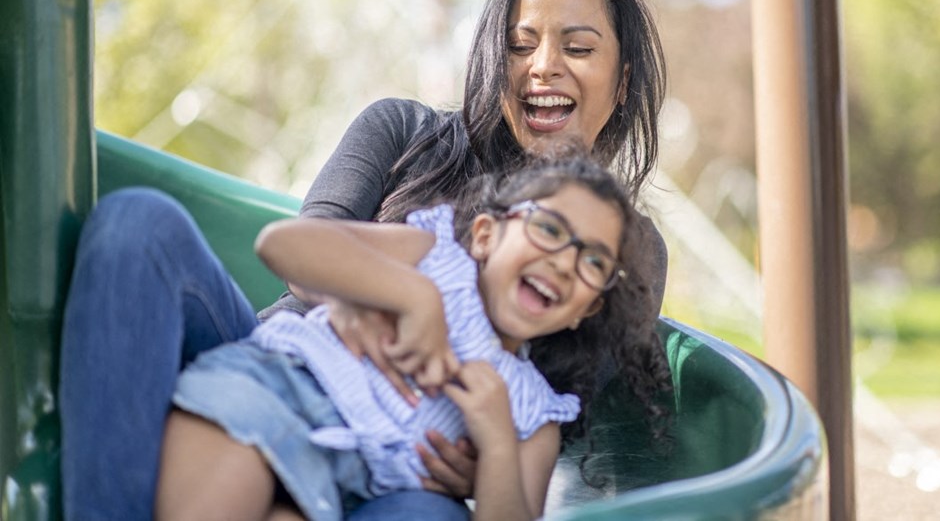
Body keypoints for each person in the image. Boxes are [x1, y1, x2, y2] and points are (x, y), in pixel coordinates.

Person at [59, 0, 668, 521]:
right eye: (519, 44)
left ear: (622, 82)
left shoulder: (627, 255)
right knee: (138, 224)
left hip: (406, 470)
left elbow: (561, 416)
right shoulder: (407, 136)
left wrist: (487, 463)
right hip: (291, 371)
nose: (543, 66)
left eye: (578, 48)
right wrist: (399, 295)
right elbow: (302, 252)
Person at [154, 155, 670, 521]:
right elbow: (283, 244)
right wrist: (413, 295)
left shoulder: (534, 418)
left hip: (345, 487)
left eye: (594, 261)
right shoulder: (434, 257)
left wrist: (494, 448)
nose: (564, 261)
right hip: (274, 394)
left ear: (591, 306)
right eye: (550, 230)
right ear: (487, 235)